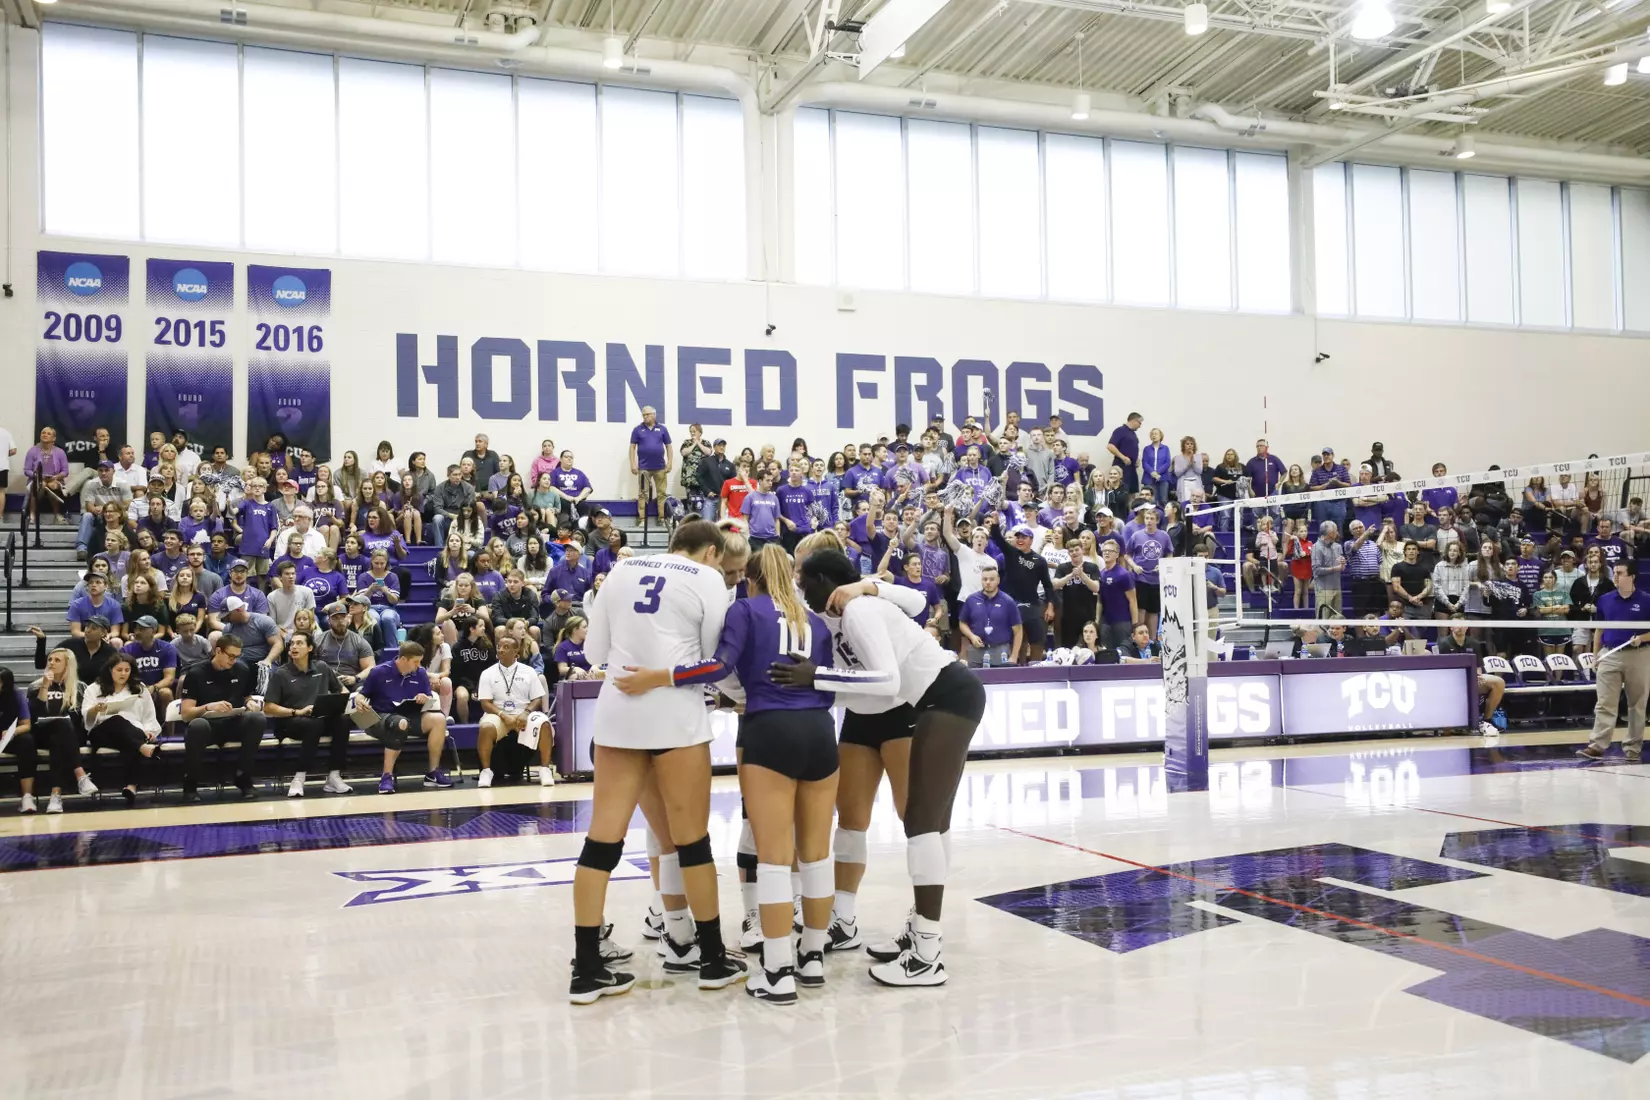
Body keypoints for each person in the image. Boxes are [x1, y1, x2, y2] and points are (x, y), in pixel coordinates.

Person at [621, 544, 840, 1004]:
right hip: (821, 733)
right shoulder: (813, 621)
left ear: (752, 579)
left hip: (770, 732)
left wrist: (659, 676)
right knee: (817, 854)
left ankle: (778, 971)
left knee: (775, 858)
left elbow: (718, 667)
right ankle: (814, 955)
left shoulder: (745, 609)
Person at [772, 548, 987, 987]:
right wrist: (819, 689)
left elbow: (887, 681)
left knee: (922, 824)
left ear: (827, 581)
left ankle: (928, 953)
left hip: (945, 697)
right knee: (933, 824)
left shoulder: (859, 609)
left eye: (805, 579)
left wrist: (818, 678)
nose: (799, 587)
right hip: (937, 699)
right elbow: (867, 690)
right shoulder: (844, 615)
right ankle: (920, 929)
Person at [569, 520, 743, 1003]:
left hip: (618, 713)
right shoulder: (709, 579)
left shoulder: (620, 570)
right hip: (675, 714)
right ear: (711, 552)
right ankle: (710, 958)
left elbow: (594, 652)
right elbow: (711, 658)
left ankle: (586, 969)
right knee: (692, 843)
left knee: (600, 843)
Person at [353, 642, 456, 794]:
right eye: (415, 661)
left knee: (439, 719)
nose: (418, 665)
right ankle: (386, 776)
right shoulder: (379, 672)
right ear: (403, 659)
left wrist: (424, 697)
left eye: (420, 661)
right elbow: (362, 694)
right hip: (381, 718)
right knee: (400, 722)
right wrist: (358, 700)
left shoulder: (420, 673)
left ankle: (432, 773)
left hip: (410, 714)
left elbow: (428, 696)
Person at [262, 630, 352, 798]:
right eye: (292, 644)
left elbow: (342, 690)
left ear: (310, 648)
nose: (294, 647)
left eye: (299, 643)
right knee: (314, 724)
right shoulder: (281, 673)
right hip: (290, 721)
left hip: (318, 718)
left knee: (343, 721)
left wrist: (343, 701)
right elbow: (268, 707)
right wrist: (297, 711)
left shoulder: (322, 667)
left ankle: (334, 776)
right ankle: (299, 777)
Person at [178, 635, 266, 801]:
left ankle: (243, 776)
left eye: (237, 657)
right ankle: (190, 782)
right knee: (197, 725)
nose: (234, 660)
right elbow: (186, 714)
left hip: (232, 722)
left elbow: (246, 696)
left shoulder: (242, 669)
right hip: (208, 726)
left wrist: (250, 703)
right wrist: (208, 707)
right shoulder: (196, 673)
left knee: (257, 719)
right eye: (231, 656)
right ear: (218, 651)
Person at [1578, 562, 1650, 762]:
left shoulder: (1646, 601)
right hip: (1609, 654)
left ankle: (1633, 748)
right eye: (1615, 573)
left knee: (1637, 704)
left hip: (1639, 655)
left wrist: (1642, 638)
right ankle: (1597, 745)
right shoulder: (1605, 600)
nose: (1615, 576)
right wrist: (1595, 656)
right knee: (1604, 703)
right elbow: (1599, 629)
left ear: (1632, 576)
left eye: (1620, 573)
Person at [79, 653, 163, 806]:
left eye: (127, 670)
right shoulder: (94, 688)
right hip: (102, 732)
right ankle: (143, 747)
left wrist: (149, 731)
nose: (123, 673)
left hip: (133, 733)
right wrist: (95, 709)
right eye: (119, 670)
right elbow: (86, 719)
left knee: (131, 740)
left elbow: (149, 716)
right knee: (118, 720)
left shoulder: (140, 688)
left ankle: (130, 787)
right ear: (110, 669)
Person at [27, 648, 101, 812]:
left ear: (68, 664)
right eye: (50, 660)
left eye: (57, 660)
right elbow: (34, 716)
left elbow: (80, 719)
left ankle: (56, 795)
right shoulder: (36, 686)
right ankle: (80, 775)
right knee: (59, 727)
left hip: (71, 737)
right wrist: (45, 687)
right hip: (42, 734)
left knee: (59, 735)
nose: (51, 663)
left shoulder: (80, 688)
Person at [474, 634, 548, 789]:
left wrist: (526, 712)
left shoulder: (529, 671)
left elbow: (537, 699)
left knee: (544, 723)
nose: (501, 650)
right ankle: (486, 772)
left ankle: (545, 769)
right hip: (498, 714)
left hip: (524, 713)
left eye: (506, 647)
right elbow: (485, 703)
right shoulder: (487, 673)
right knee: (486, 727)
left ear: (516, 652)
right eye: (499, 646)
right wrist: (503, 714)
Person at [958, 565, 1021, 667]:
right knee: (975, 682)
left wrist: (1014, 656)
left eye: (991, 579)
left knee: (1000, 681)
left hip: (1000, 651)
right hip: (976, 651)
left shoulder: (1008, 601)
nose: (987, 582)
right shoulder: (971, 599)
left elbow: (1018, 631)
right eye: (985, 579)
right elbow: (962, 623)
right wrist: (971, 636)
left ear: (998, 580)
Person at [122, 615, 178, 709]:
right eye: (136, 628)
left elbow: (169, 678)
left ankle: (169, 724)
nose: (137, 632)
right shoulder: (126, 650)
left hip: (157, 688)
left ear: (153, 630)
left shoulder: (167, 648)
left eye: (142, 629)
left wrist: (153, 688)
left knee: (166, 693)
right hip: (135, 688)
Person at [629, 406, 673, 524]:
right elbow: (632, 447)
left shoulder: (662, 429)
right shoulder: (637, 430)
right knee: (643, 493)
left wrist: (669, 462)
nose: (645, 417)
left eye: (647, 414)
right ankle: (642, 519)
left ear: (654, 415)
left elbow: (669, 446)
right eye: (643, 415)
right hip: (643, 468)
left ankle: (662, 518)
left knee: (661, 493)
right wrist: (633, 464)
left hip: (660, 467)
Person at [24, 426, 69, 524]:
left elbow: (65, 471)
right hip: (36, 479)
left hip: (54, 480)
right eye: (43, 433)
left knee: (52, 485)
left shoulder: (60, 452)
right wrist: (38, 476)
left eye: (49, 434)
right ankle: (32, 515)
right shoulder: (32, 451)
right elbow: (27, 470)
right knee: (40, 484)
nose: (45, 435)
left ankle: (57, 514)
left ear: (54, 438)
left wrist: (55, 477)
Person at [1105, 413, 1142, 495]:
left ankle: (1129, 508)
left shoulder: (1133, 434)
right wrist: (1123, 457)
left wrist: (1137, 459)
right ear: (1134, 421)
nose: (1140, 426)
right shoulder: (1120, 430)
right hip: (1122, 467)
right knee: (1121, 492)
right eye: (1139, 423)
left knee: (1132, 492)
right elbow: (1110, 446)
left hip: (1132, 468)